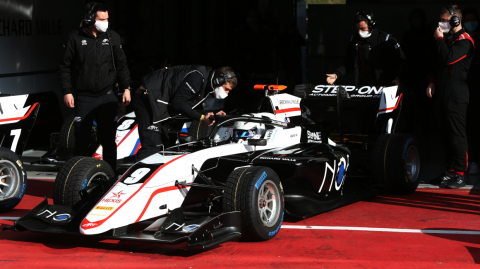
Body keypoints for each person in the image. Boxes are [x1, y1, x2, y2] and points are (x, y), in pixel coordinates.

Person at [58, 2, 131, 171]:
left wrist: (126, 87)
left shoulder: (113, 37)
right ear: (90, 18)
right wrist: (67, 91)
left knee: (108, 140)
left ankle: (110, 175)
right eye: (101, 19)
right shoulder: (74, 37)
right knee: (81, 139)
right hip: (84, 97)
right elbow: (64, 67)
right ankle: (77, 178)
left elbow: (122, 64)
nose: (105, 22)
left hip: (107, 96)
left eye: (107, 19)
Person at [133, 65, 237, 161]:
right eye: (226, 89)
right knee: (152, 148)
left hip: (158, 103)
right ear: (218, 80)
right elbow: (178, 103)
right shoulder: (197, 77)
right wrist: (201, 118)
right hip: (146, 100)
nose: (227, 93)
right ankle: (130, 178)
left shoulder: (206, 83)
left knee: (167, 147)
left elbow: (188, 105)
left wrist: (210, 113)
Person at [426, 5, 475, 189]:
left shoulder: (465, 40)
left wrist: (439, 40)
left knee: (457, 133)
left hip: (457, 92)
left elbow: (448, 58)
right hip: (442, 90)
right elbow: (436, 62)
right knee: (445, 133)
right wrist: (431, 81)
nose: (440, 24)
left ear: (455, 20)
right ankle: (449, 170)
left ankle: (460, 172)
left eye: (444, 20)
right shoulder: (447, 39)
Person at [326, 10, 404, 86]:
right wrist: (336, 74)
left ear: (371, 25)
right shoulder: (355, 39)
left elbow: (399, 61)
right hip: (363, 86)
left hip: (385, 85)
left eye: (363, 28)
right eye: (358, 29)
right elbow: (349, 61)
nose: (360, 31)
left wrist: (397, 78)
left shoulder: (386, 39)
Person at [463, 8, 480, 175]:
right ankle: (473, 160)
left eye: (473, 19)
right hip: (468, 90)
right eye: (467, 20)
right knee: (472, 127)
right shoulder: (461, 41)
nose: (470, 23)